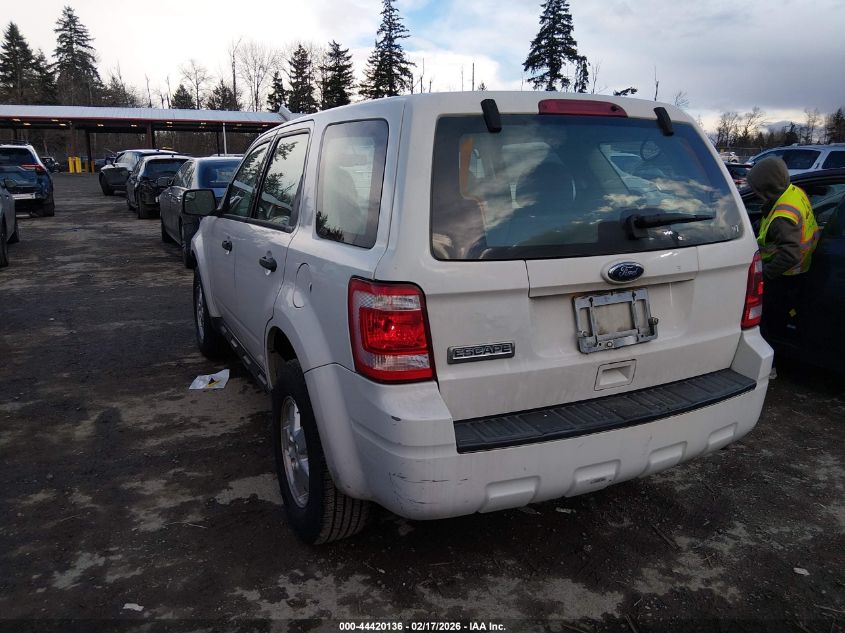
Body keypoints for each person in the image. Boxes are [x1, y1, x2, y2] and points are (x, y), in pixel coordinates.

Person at [746, 157, 820, 341]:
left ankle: (770, 362)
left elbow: (789, 254)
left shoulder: (783, 217)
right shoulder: (794, 192)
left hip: (783, 277)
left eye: (757, 189)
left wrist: (765, 275)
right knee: (779, 319)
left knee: (770, 324)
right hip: (801, 270)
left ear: (766, 188)